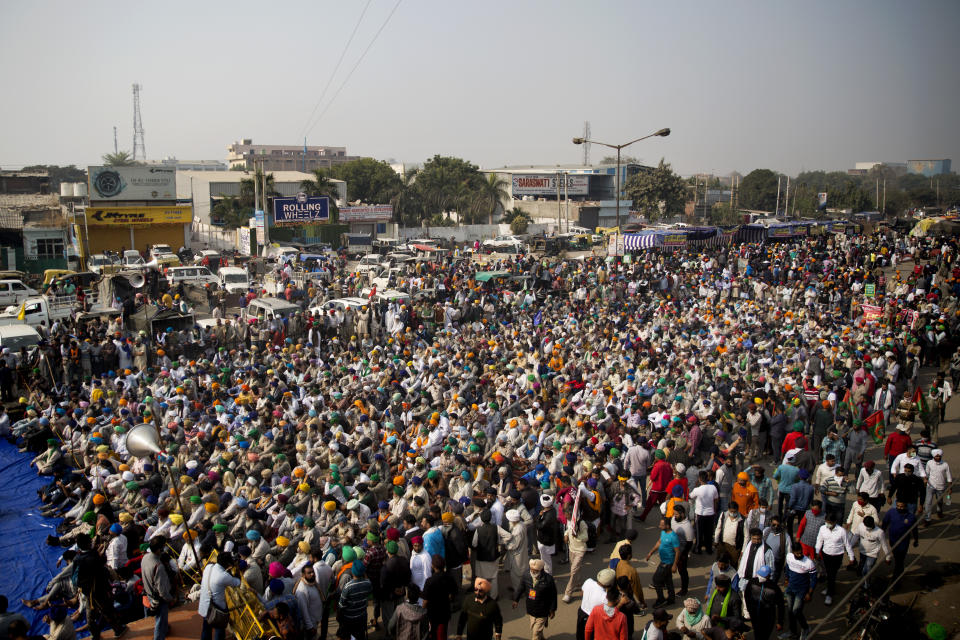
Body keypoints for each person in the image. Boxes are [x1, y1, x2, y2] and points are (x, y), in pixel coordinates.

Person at [198, 552, 240, 640]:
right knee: (219, 631)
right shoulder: (223, 576)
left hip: (205, 604)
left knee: (206, 629)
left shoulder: (208, 567)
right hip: (218, 610)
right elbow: (237, 582)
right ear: (228, 564)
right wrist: (237, 570)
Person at [141, 535, 176, 640]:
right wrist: (170, 598)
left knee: (161, 622)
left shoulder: (145, 558)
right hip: (159, 599)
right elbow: (162, 591)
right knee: (159, 623)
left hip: (149, 594)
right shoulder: (158, 566)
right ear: (159, 549)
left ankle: (165, 630)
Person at [512, 559, 556, 640]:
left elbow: (553, 596)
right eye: (531, 570)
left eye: (535, 571)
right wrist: (516, 600)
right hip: (531, 608)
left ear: (541, 570)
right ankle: (541, 637)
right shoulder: (526, 575)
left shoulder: (548, 579)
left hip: (543, 610)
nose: (532, 572)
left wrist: (552, 610)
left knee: (535, 633)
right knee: (535, 628)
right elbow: (520, 588)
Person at [783, 542, 817, 640]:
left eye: (801, 553)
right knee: (790, 611)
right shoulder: (789, 557)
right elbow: (788, 568)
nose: (799, 555)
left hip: (801, 591)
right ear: (793, 552)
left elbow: (814, 579)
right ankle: (792, 631)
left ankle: (805, 628)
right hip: (790, 589)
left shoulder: (809, 563)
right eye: (797, 553)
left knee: (796, 611)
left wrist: (809, 593)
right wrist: (786, 579)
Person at [645, 517, 679, 607]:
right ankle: (671, 599)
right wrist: (650, 553)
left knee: (656, 580)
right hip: (664, 561)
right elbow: (659, 542)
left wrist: (675, 565)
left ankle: (661, 599)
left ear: (667, 526)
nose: (659, 526)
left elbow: (677, 552)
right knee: (668, 580)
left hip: (667, 563)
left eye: (662, 525)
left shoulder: (673, 537)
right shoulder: (663, 532)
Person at [742, 565, 783, 640]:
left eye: (763, 576)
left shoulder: (774, 588)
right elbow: (746, 596)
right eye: (760, 574)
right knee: (757, 635)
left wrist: (780, 621)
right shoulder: (752, 582)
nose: (760, 577)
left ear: (768, 576)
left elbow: (781, 605)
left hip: (768, 617)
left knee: (765, 636)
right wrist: (749, 609)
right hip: (755, 615)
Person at [422, 555, 457, 640]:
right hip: (445, 611)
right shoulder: (450, 578)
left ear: (432, 566)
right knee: (443, 633)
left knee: (433, 634)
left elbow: (425, 601)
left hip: (433, 614)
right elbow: (453, 594)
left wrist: (422, 610)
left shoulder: (429, 581)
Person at [882, 499, 919, 579]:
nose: (899, 508)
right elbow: (885, 523)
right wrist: (881, 534)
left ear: (906, 507)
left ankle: (897, 575)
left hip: (904, 541)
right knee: (896, 556)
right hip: (893, 540)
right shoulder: (891, 512)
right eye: (898, 506)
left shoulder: (911, 517)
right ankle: (899, 570)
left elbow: (915, 529)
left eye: (901, 507)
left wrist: (916, 540)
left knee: (900, 558)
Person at [853, 515, 891, 590]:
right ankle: (865, 582)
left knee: (866, 570)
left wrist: (888, 557)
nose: (867, 528)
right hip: (862, 552)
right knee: (863, 568)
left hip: (872, 555)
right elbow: (855, 537)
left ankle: (867, 585)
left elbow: (884, 545)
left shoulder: (879, 532)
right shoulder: (860, 527)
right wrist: (850, 546)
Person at [339, 561, 374, 640]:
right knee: (360, 634)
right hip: (362, 614)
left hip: (349, 617)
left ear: (352, 571)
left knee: (349, 636)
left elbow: (341, 604)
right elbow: (369, 592)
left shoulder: (348, 586)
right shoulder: (368, 583)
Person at [577, 569, 616, 640]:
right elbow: (610, 613)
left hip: (581, 612)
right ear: (610, 584)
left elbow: (582, 593)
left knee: (580, 634)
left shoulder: (588, 581)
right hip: (593, 619)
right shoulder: (605, 597)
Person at [689, 471, 718, 555]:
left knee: (699, 532)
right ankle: (709, 549)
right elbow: (716, 500)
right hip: (710, 513)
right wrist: (714, 510)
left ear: (699, 479)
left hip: (700, 514)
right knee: (709, 532)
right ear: (707, 478)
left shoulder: (697, 489)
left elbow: (690, 496)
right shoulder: (713, 487)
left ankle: (698, 548)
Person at [923, 449, 952, 526]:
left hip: (941, 486)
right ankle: (927, 519)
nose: (938, 457)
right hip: (930, 486)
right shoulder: (929, 463)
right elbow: (927, 473)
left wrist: (950, 487)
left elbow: (949, 476)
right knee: (928, 503)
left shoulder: (945, 464)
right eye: (936, 456)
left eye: (939, 456)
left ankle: (939, 511)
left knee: (940, 501)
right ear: (934, 456)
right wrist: (925, 480)